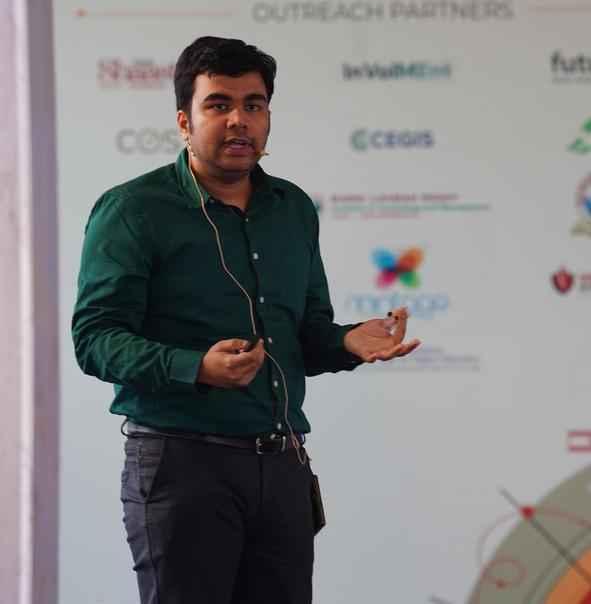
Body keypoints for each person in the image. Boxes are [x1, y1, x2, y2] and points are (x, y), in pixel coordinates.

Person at [71, 36, 420, 604]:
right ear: (184, 122)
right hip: (181, 465)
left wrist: (349, 342)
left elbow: (306, 334)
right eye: (219, 105)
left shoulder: (292, 208)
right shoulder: (134, 210)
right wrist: (196, 367)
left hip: (282, 464)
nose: (239, 120)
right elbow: (95, 340)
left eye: (253, 105)